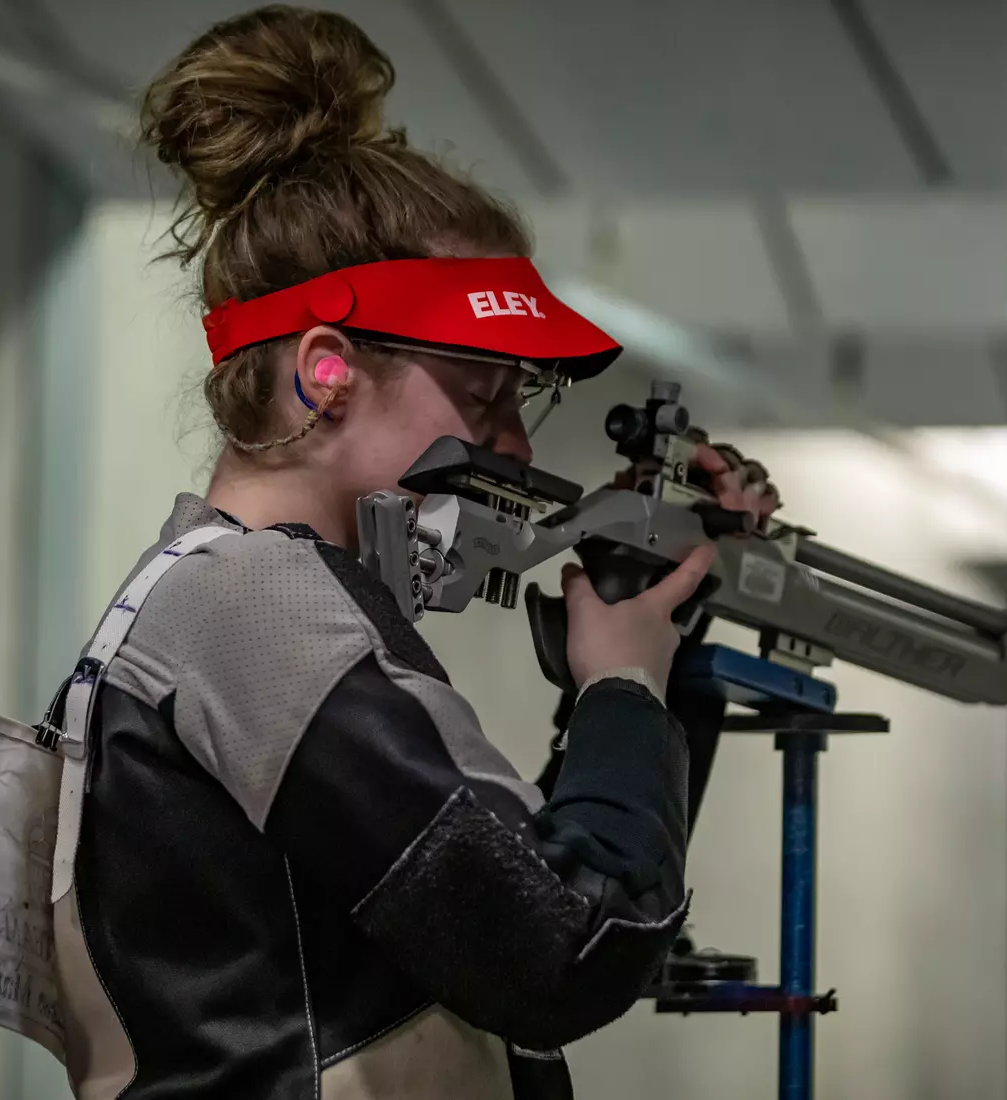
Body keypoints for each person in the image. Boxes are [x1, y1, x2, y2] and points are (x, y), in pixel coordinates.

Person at [51, 8, 779, 1099]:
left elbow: (526, 894)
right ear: (323, 373)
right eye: (481, 398)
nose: (515, 446)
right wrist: (623, 683)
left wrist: (647, 643)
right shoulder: (258, 612)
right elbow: (563, 950)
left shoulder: (245, 599)